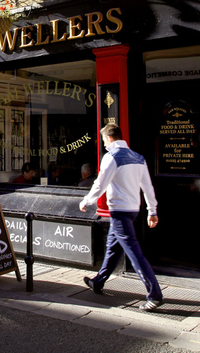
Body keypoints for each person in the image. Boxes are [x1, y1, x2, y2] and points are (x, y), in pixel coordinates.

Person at [79, 124, 164, 311]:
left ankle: (155, 295)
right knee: (113, 247)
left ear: (109, 138)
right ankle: (98, 282)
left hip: (119, 211)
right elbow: (147, 187)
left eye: (103, 140)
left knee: (135, 254)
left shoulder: (112, 157)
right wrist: (152, 210)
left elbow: (100, 184)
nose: (103, 143)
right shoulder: (138, 157)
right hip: (133, 210)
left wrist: (87, 201)